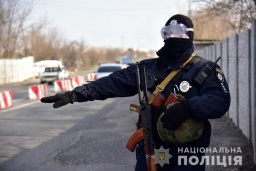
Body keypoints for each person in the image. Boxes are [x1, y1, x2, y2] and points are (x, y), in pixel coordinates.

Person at [41, 14, 230, 171]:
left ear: (190, 36)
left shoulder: (205, 69)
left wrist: (188, 107)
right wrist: (74, 95)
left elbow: (221, 100)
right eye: (168, 33)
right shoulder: (146, 68)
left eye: (179, 33)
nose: (173, 37)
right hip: (151, 149)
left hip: (188, 153)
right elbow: (111, 83)